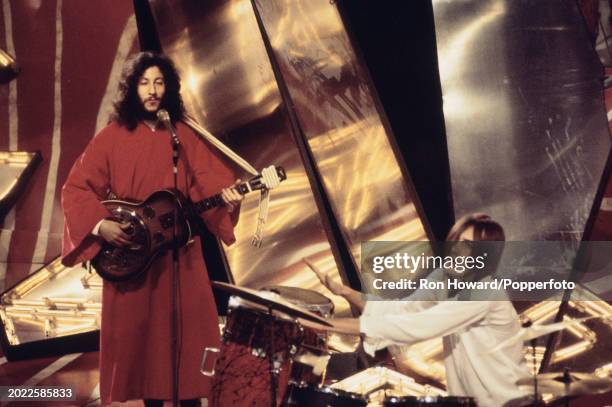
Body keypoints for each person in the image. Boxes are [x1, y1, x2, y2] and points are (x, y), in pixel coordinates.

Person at [61, 52, 243, 407]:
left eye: (159, 82)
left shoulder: (182, 134)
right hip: (133, 256)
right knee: (143, 349)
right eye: (144, 83)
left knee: (189, 342)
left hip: (179, 255)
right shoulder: (112, 136)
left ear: (169, 88)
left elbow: (208, 185)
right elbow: (76, 188)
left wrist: (230, 200)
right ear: (131, 88)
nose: (152, 90)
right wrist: (102, 226)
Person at [306, 214, 531, 407]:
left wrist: (321, 324)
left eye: (469, 246)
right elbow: (402, 310)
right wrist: (345, 292)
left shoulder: (484, 292)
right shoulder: (444, 278)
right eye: (456, 241)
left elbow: (413, 326)